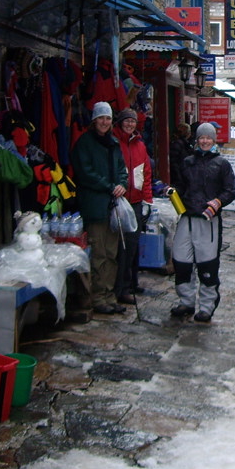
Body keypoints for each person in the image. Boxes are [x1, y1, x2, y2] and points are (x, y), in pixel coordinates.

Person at [171, 122, 235, 323]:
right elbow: (181, 186)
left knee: (207, 265)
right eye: (201, 138)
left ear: (214, 140)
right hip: (187, 217)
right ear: (197, 140)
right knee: (181, 261)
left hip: (208, 221)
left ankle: (207, 307)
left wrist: (217, 202)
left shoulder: (222, 164)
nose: (205, 141)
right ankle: (186, 301)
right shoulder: (188, 161)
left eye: (208, 138)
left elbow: (230, 191)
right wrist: (171, 191)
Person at [70, 102, 128, 316]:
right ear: (94, 120)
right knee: (99, 253)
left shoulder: (113, 143)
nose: (105, 122)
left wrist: (123, 184)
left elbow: (122, 169)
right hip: (95, 205)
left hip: (113, 206)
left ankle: (109, 295)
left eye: (108, 118)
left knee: (112, 253)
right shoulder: (84, 143)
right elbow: (85, 173)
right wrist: (109, 186)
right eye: (101, 118)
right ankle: (97, 297)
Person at [114, 108, 153, 304]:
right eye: (126, 121)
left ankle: (132, 282)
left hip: (136, 201)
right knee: (123, 247)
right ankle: (121, 287)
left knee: (134, 245)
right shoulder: (114, 143)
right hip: (119, 201)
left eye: (133, 121)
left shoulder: (140, 145)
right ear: (120, 123)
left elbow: (145, 174)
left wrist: (147, 199)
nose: (130, 124)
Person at [168, 122, 192, 195]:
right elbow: (174, 163)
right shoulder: (178, 144)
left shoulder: (184, 144)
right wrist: (179, 178)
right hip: (178, 178)